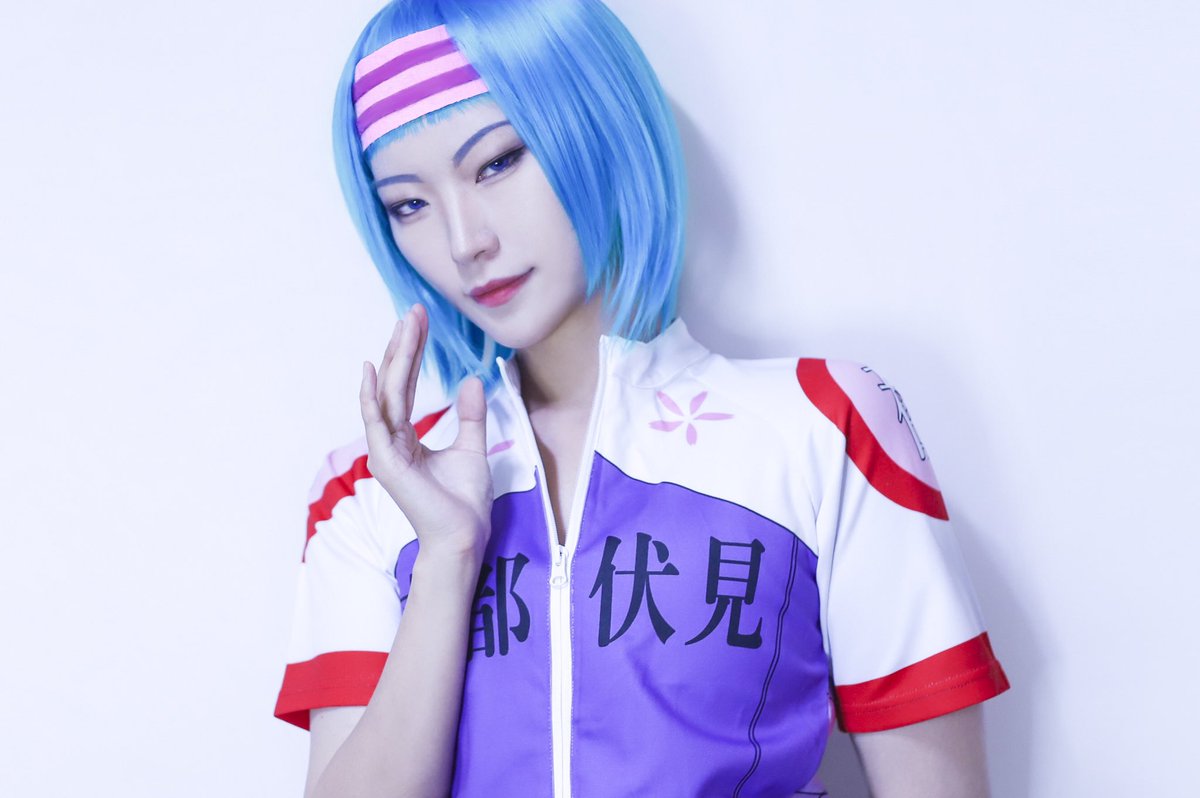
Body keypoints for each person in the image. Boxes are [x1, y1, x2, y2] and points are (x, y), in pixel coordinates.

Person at [273, 1, 1011, 796]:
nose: (464, 241)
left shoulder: (822, 428)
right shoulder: (369, 492)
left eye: (497, 162)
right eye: (408, 204)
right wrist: (447, 556)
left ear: (598, 124)